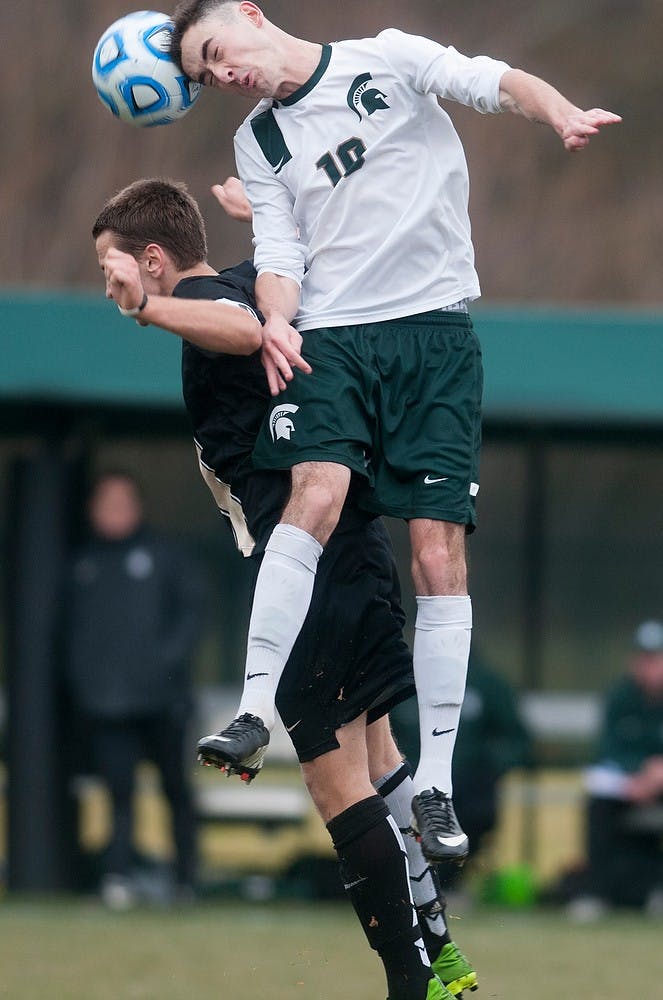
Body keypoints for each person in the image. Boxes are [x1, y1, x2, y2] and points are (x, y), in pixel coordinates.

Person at [170, 0, 621, 864]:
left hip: (434, 337)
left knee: (434, 552)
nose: (221, 76)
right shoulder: (257, 142)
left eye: (218, 53)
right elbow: (281, 257)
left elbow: (492, 81)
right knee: (317, 492)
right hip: (334, 340)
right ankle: (254, 708)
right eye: (203, 76)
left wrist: (557, 108)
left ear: (252, 18)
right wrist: (277, 322)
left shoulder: (387, 56)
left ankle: (437, 782)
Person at [92, 176, 478, 1000]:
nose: (111, 282)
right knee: (377, 763)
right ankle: (439, 949)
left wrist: (143, 309)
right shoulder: (251, 277)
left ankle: (411, 983)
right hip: (355, 548)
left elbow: (238, 329)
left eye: (114, 267)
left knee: (332, 782)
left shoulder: (216, 311)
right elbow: (276, 283)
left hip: (311, 564)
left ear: (152, 261)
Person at [63, 471, 206, 908]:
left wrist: (164, 665)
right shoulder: (80, 566)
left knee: (175, 789)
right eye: (106, 502)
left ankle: (187, 879)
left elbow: (193, 615)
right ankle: (118, 877)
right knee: (117, 792)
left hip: (163, 703)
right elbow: (66, 636)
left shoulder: (166, 558)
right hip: (108, 705)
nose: (114, 511)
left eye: (122, 502)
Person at [392, 648, 532, 889]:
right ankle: (404, 883)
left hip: (470, 785)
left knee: (472, 814)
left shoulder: (487, 684)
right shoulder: (400, 682)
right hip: (407, 780)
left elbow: (515, 739)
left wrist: (489, 766)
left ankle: (447, 883)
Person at [566, 620, 663, 921]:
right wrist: (638, 776)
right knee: (598, 805)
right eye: (644, 658)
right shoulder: (620, 696)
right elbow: (609, 748)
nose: (650, 667)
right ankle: (597, 892)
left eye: (656, 658)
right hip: (632, 787)